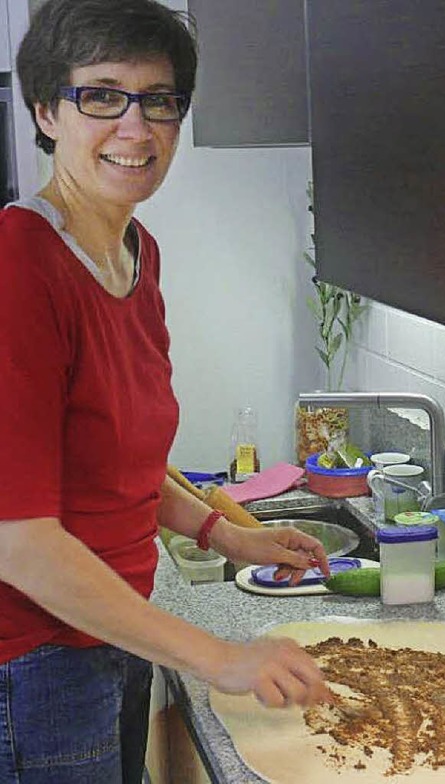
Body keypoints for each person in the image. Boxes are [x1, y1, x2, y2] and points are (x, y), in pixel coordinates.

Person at [0, 1, 333, 782]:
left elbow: (120, 462)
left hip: (116, 630)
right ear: (47, 111)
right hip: (34, 663)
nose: (137, 126)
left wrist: (227, 533)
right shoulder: (19, 270)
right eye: (103, 95)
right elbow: (19, 538)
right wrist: (222, 658)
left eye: (161, 100)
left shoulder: (135, 252)